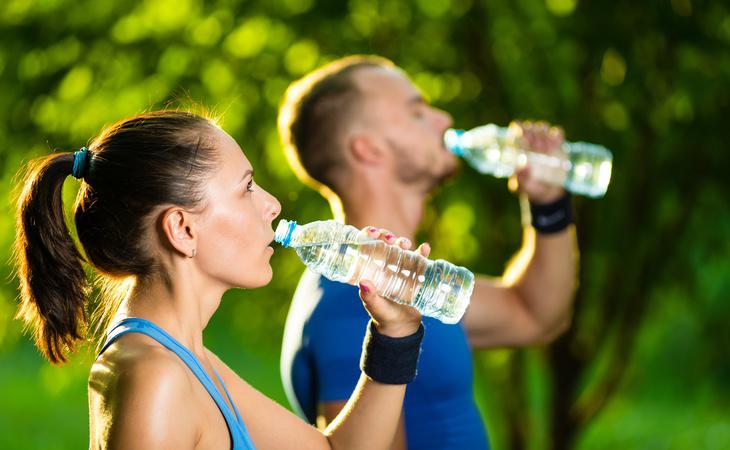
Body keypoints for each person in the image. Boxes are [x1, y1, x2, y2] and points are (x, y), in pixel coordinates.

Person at [13, 110, 429, 449]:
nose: (272, 204)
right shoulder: (156, 378)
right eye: (246, 187)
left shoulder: (186, 360)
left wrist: (395, 331)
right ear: (182, 229)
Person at [278, 55, 579, 449]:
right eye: (417, 112)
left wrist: (549, 204)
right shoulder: (354, 294)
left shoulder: (409, 281)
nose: (442, 119)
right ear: (368, 149)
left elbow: (535, 316)